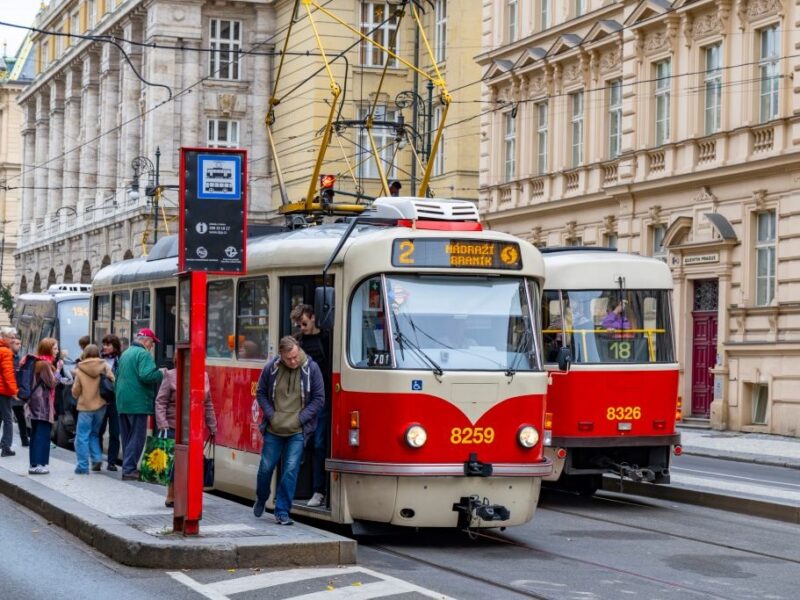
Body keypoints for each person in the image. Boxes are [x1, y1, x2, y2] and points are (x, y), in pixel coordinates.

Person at [253, 336, 325, 525]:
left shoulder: (311, 368)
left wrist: (300, 419)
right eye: (288, 359)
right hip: (274, 429)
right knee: (265, 469)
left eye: (294, 357)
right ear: (281, 356)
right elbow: (260, 392)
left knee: (290, 470)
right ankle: (262, 497)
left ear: (298, 349)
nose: (292, 361)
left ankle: (282, 511)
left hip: (297, 431)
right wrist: (272, 415)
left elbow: (319, 398)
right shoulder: (271, 368)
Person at [155, 368, 217, 507]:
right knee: (174, 463)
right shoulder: (170, 376)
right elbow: (161, 401)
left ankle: (188, 495)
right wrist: (162, 423)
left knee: (193, 462)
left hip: (195, 428)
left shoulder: (204, 376)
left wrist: (212, 425)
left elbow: (207, 403)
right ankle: (171, 495)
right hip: (173, 426)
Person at [291, 304, 331, 508]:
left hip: (322, 399)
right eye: (298, 324)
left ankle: (318, 490)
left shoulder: (327, 338)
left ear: (313, 317)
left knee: (318, 444)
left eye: (304, 323)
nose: (302, 327)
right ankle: (295, 487)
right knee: (301, 442)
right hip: (303, 399)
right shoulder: (297, 341)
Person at [116, 328, 164, 480]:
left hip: (123, 402)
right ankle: (129, 470)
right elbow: (146, 375)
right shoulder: (143, 354)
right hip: (137, 403)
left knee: (127, 437)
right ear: (146, 341)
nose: (152, 346)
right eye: (152, 343)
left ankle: (127, 467)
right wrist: (161, 373)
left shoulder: (126, 353)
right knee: (137, 437)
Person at [71, 344, 115, 474]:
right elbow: (113, 380)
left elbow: (75, 391)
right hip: (101, 406)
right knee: (94, 434)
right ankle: (96, 458)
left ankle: (83, 466)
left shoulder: (80, 368)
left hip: (85, 407)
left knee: (82, 436)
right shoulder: (105, 365)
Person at [27, 338, 59, 474]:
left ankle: (34, 463)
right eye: (55, 348)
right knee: (42, 434)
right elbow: (52, 383)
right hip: (42, 404)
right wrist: (59, 370)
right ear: (48, 349)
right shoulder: (45, 364)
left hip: (35, 403)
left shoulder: (36, 362)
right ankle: (38, 464)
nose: (57, 351)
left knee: (35, 434)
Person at [98, 334, 122, 470]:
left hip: (115, 400)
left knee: (115, 432)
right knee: (99, 431)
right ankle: (98, 459)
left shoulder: (120, 361)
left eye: (108, 345)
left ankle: (111, 462)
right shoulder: (99, 360)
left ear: (115, 346)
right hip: (100, 400)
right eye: (104, 344)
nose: (105, 347)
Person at [0, 327, 19, 456]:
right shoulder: (6, 352)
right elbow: (8, 374)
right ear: (5, 338)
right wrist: (14, 391)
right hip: (4, 390)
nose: (14, 340)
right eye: (12, 337)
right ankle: (6, 447)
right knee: (8, 419)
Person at [8, 331, 29, 447]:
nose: (19, 346)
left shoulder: (19, 358)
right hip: (8, 391)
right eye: (16, 344)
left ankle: (25, 440)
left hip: (17, 392)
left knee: (20, 416)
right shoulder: (8, 357)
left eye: (20, 344)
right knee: (4, 417)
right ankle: (7, 443)